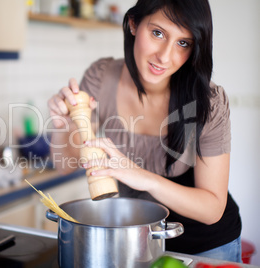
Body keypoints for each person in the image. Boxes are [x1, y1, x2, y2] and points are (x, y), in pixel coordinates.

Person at [47, 0, 242, 262]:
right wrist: (65, 123)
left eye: (183, 43)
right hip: (134, 244)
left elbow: (212, 209)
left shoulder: (209, 101)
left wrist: (143, 177)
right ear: (133, 24)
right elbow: (65, 164)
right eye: (158, 33)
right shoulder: (101, 77)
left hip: (209, 247)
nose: (165, 56)